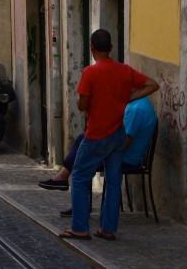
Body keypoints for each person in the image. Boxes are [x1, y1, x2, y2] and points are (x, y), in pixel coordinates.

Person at [60, 30, 158, 242]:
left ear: (92, 48)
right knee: (113, 182)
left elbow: (83, 103)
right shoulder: (124, 70)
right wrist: (131, 95)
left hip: (97, 135)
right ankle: (108, 229)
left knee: (78, 177)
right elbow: (153, 84)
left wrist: (82, 102)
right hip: (118, 136)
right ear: (111, 48)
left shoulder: (90, 72)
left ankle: (79, 228)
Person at [39, 97, 159, 216]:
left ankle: (74, 198)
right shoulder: (143, 103)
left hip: (125, 159)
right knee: (84, 140)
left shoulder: (136, 110)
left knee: (84, 158)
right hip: (127, 156)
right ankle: (63, 179)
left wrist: (104, 143)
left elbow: (125, 143)